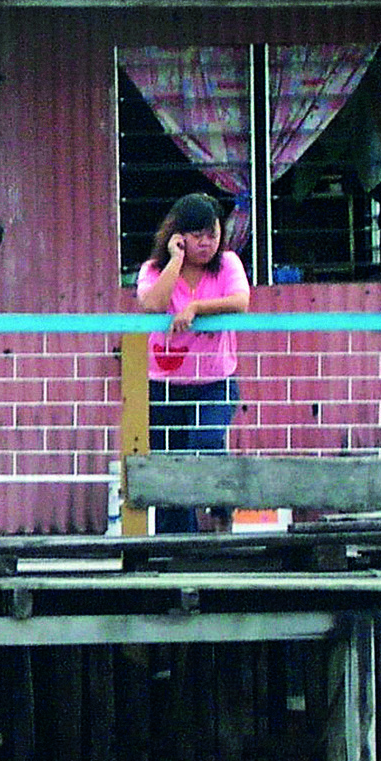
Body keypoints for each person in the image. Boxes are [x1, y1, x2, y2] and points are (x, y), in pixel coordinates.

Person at [135, 193, 250, 533]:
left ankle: (220, 511)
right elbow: (153, 304)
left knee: (207, 441)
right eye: (197, 235)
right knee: (170, 466)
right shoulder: (153, 270)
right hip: (164, 385)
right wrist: (174, 260)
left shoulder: (227, 263)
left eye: (212, 234)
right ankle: (177, 543)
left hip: (215, 381)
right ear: (178, 235)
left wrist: (196, 308)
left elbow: (241, 301)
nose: (206, 243)